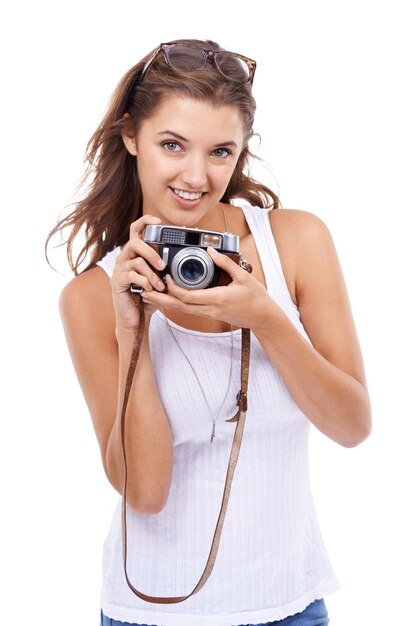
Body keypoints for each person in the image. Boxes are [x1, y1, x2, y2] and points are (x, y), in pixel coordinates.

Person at [47, 39, 372, 626]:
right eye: (172, 145)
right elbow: (144, 494)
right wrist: (134, 332)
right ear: (130, 137)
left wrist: (267, 316)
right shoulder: (93, 297)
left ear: (241, 151)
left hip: (291, 606)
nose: (196, 176)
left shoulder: (295, 244)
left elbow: (351, 426)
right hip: (151, 612)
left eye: (220, 151)